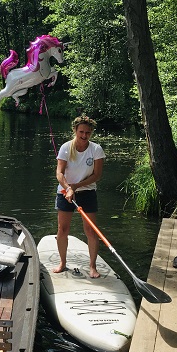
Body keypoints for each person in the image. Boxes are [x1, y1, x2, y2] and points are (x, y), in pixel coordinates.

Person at [54, 116, 105, 277]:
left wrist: (75, 187)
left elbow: (97, 175)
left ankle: (92, 267)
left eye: (88, 133)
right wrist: (68, 188)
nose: (84, 135)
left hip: (87, 192)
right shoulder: (66, 148)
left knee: (90, 230)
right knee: (63, 229)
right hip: (64, 192)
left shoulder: (96, 149)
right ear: (75, 130)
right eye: (81, 132)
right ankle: (62, 263)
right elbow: (59, 172)